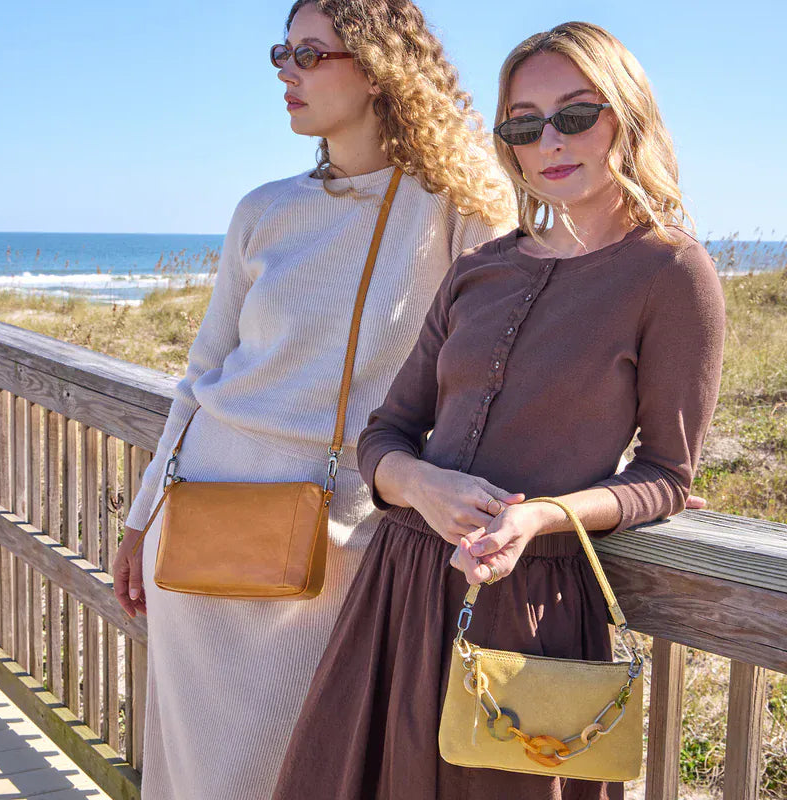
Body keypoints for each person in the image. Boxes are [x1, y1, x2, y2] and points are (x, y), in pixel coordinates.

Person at [272, 21, 725, 800]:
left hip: (530, 610)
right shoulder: (480, 268)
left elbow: (666, 475)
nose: (550, 141)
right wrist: (421, 486)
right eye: (523, 124)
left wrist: (538, 518)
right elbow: (385, 434)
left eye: (575, 114)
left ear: (627, 116)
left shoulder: (673, 272)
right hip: (400, 588)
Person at [111, 1, 515, 798]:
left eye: (309, 55)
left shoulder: (460, 204)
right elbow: (203, 373)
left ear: (377, 69)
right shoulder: (263, 209)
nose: (285, 73)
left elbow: (508, 361)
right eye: (282, 53)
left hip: (337, 541)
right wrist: (140, 518)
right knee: (197, 776)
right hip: (199, 528)